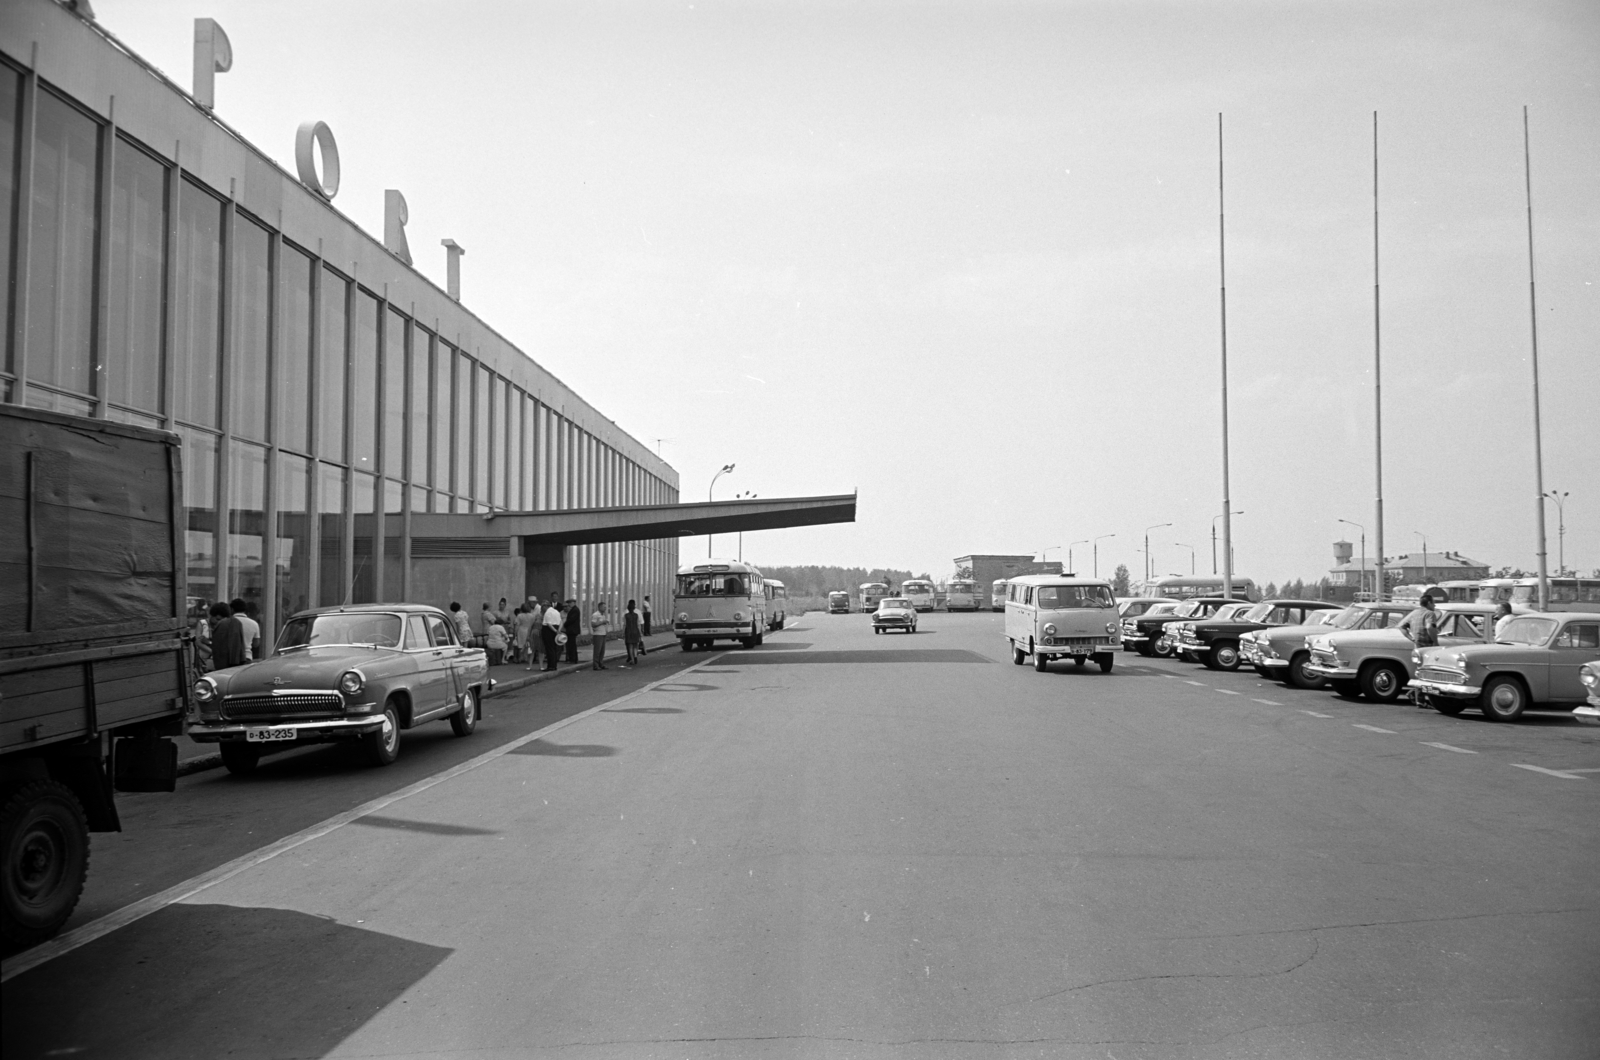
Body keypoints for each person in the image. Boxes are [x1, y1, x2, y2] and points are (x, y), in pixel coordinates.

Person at [209, 601, 248, 671]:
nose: (216, 622)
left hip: (225, 665)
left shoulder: (229, 624)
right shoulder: (235, 622)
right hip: (231, 664)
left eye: (218, 619)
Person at [515, 604, 540, 670]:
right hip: (529, 630)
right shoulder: (532, 616)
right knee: (529, 645)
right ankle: (528, 658)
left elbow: (517, 624)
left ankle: (521, 658)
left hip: (521, 629)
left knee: (521, 644)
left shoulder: (519, 616)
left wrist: (515, 633)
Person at [541, 598, 563, 671]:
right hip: (556, 627)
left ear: (545, 606)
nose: (542, 609)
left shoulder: (547, 612)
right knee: (554, 648)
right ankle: (554, 665)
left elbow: (549, 624)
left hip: (548, 630)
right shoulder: (556, 611)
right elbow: (561, 622)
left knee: (549, 649)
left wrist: (555, 631)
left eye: (542, 607)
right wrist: (558, 630)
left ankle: (550, 666)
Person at [589, 601, 610, 670]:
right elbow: (593, 624)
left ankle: (601, 663)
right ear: (599, 607)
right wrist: (602, 622)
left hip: (603, 633)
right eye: (604, 607)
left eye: (605, 607)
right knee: (597, 651)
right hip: (598, 634)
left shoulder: (603, 615)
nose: (605, 609)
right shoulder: (595, 615)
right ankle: (595, 665)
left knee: (602, 651)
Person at [623, 599, 643, 666]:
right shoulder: (636, 615)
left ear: (628, 608)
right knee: (635, 645)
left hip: (628, 632)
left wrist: (623, 633)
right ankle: (635, 656)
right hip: (635, 631)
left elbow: (624, 625)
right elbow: (638, 625)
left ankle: (632, 659)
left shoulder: (626, 616)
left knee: (630, 646)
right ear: (634, 608)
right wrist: (640, 633)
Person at [563, 599, 582, 664]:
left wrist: (565, 624)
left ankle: (573, 659)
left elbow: (571, 620)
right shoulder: (573, 609)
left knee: (572, 645)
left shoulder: (575, 610)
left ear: (574, 603)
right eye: (568, 603)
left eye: (570, 603)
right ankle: (572, 658)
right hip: (572, 630)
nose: (569, 604)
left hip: (572, 630)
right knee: (570, 645)